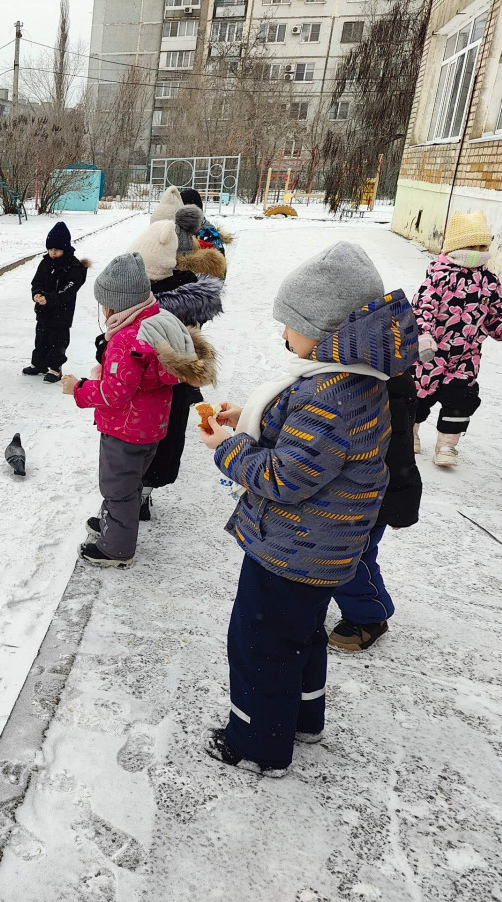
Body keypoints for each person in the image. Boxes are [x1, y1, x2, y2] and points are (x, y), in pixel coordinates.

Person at [198, 241, 416, 776]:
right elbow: (307, 439)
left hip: (294, 549)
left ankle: (256, 745)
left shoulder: (330, 392)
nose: (283, 336)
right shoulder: (358, 380)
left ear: (324, 330)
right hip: (323, 549)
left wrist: (226, 447)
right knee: (302, 635)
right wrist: (249, 414)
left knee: (261, 644)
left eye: (290, 325)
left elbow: (285, 475)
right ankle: (302, 717)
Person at [62, 252, 215, 568]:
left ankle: (116, 548)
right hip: (151, 427)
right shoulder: (159, 323)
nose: (103, 311)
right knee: (128, 484)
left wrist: (77, 388)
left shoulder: (127, 338)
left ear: (115, 304)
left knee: (118, 487)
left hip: (125, 429)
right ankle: (115, 523)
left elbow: (114, 393)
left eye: (104, 304)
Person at [127, 217, 225, 520]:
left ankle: (133, 498)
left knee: (141, 442)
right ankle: (144, 493)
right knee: (165, 441)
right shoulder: (191, 294)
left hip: (149, 385)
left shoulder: (154, 303)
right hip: (176, 387)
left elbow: (130, 348)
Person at [412, 209, 502, 467]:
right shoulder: (439, 276)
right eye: (472, 245)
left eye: (482, 246)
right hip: (430, 355)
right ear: (457, 246)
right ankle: (410, 434)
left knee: (461, 399)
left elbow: (495, 313)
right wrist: (424, 336)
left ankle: (447, 445)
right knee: (417, 398)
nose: (478, 251)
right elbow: (422, 308)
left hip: (466, 357)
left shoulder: (489, 281)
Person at [327, 370, 422, 651]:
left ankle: (369, 615)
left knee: (350, 558)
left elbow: (399, 450)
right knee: (332, 553)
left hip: (369, 498)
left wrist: (401, 504)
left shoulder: (385, 385)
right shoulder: (334, 374)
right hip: (337, 493)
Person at [24, 221, 90, 384]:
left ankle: (55, 369)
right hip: (43, 311)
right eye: (50, 249)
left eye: (57, 249)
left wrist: (50, 298)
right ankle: (39, 364)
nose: (53, 252)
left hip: (62, 313)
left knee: (57, 341)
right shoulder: (45, 263)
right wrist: (37, 294)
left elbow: (68, 291)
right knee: (41, 338)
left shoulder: (74, 267)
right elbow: (37, 281)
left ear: (65, 249)